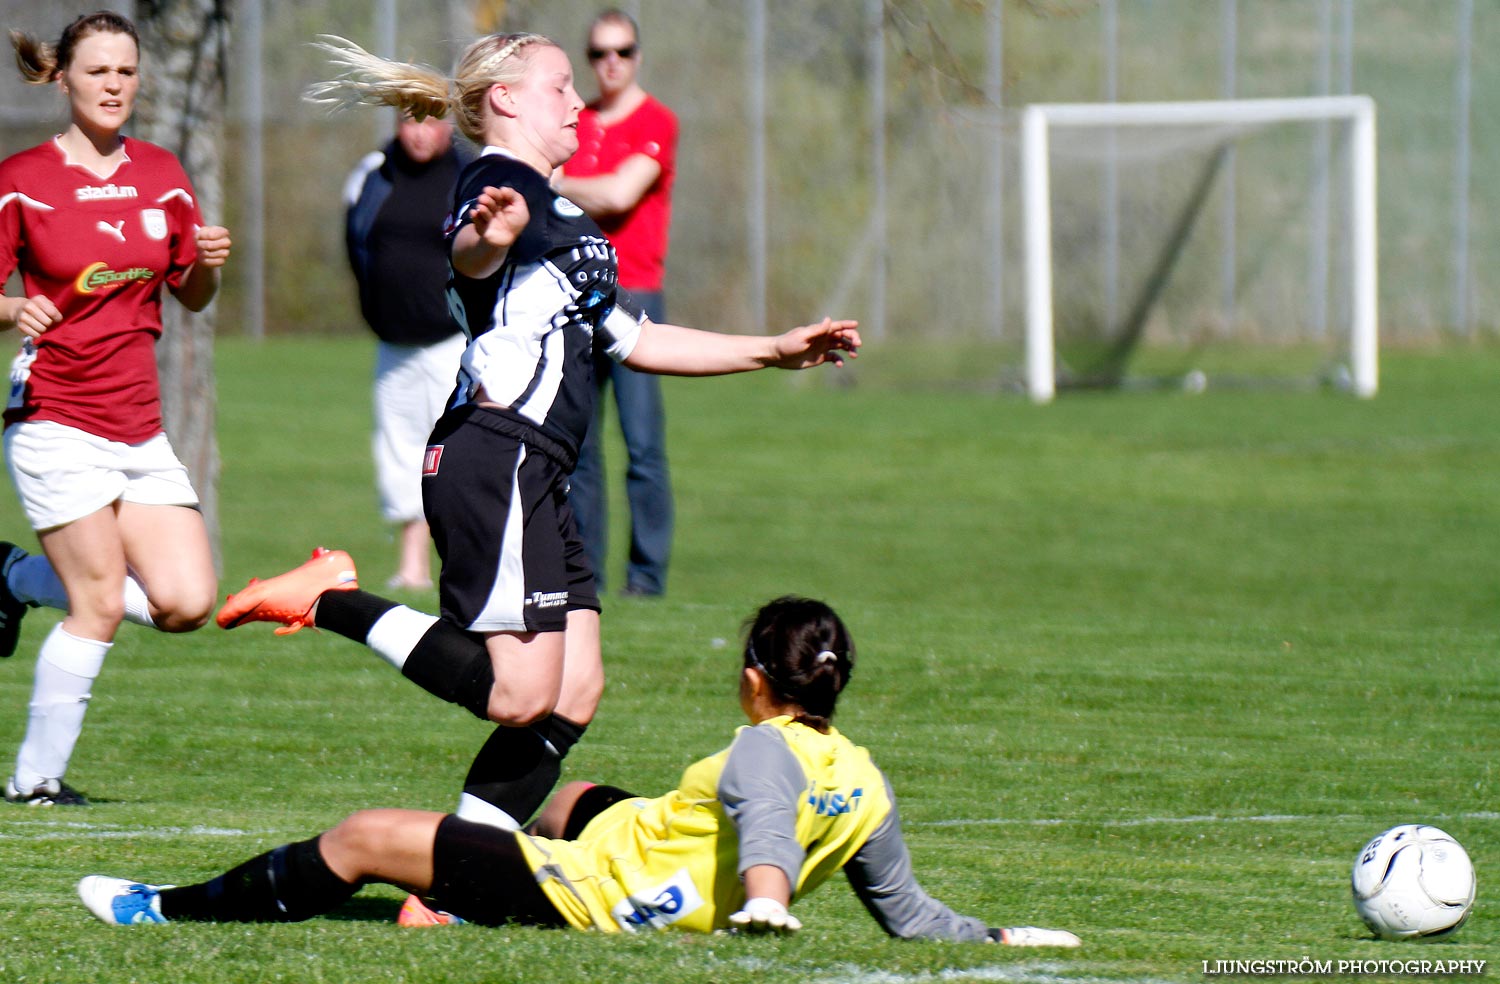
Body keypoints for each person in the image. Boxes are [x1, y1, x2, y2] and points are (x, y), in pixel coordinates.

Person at [213, 32, 859, 854]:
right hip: (496, 451)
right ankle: (326, 598)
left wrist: (770, 349)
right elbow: (473, 255)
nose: (578, 101)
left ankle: (453, 880)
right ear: (509, 101)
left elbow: (634, 339)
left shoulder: (566, 215)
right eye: (560, 85)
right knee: (520, 695)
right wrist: (489, 233)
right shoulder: (497, 179)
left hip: (537, 469)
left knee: (574, 689)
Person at [78, 596, 1081, 947]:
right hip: (646, 857)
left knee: (363, 838)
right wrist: (998, 934)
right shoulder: (863, 779)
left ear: (751, 680)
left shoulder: (762, 751)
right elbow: (906, 915)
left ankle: (164, 911)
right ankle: (472, 875)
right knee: (567, 795)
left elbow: (766, 833)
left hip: (594, 896)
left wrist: (768, 903)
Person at [0, 11, 232, 807]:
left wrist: (207, 266)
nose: (113, 86)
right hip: (54, 416)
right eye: (97, 71)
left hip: (137, 426)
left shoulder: (163, 172)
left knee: (187, 602)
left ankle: (13, 579)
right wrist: (11, 311)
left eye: (125, 72)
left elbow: (192, 296)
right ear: (62, 77)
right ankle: (35, 782)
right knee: (98, 602)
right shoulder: (21, 180)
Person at [554, 9, 676, 598]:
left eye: (622, 51)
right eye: (600, 52)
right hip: (578, 291)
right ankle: (588, 578)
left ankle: (646, 580)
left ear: (638, 55)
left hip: (636, 293)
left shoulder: (657, 121)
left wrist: (556, 185)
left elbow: (620, 193)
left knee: (644, 445)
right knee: (578, 449)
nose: (611, 63)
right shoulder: (578, 121)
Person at [344, 112, 469, 591]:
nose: (419, 132)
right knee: (398, 453)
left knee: (454, 452)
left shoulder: (467, 176)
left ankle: (457, 562)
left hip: (451, 342)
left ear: (449, 124)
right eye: (409, 121)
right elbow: (355, 242)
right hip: (393, 343)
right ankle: (411, 566)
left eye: (431, 120)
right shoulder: (375, 172)